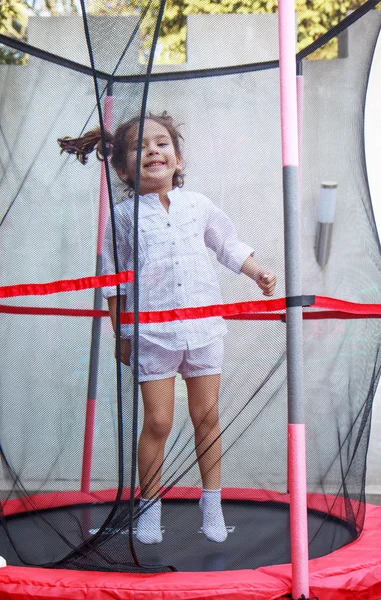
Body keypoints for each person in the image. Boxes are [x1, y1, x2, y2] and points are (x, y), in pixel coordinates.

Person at [58, 112, 276, 545]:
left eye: (162, 144)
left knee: (207, 417)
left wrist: (257, 273)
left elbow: (226, 245)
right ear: (122, 168)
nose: (153, 151)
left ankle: (211, 503)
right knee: (157, 421)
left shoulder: (198, 205)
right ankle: (149, 508)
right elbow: (113, 277)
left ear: (178, 159)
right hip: (152, 334)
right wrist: (122, 332)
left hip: (203, 328)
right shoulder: (123, 216)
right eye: (140, 147)